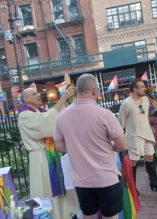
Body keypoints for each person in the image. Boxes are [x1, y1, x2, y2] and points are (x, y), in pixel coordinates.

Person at [53, 74, 128, 219]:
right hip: (106, 178)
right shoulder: (105, 114)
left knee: (88, 216)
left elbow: (59, 147)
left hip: (82, 181)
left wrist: (78, 148)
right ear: (94, 91)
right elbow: (123, 144)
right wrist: (110, 146)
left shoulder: (62, 117)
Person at [18, 87, 79, 218]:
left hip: (51, 154)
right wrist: (62, 98)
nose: (39, 94)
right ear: (26, 99)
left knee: (58, 190)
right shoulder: (24, 115)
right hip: (40, 158)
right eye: (34, 94)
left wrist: (68, 102)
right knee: (45, 190)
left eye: (37, 92)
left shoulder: (40, 111)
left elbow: (56, 119)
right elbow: (44, 123)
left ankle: (62, 215)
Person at [119, 78, 157, 193]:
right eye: (142, 87)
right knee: (133, 162)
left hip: (147, 134)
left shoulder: (145, 100)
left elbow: (145, 116)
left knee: (150, 157)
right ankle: (132, 187)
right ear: (134, 89)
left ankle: (154, 182)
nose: (145, 89)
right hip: (133, 137)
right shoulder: (126, 103)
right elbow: (120, 123)